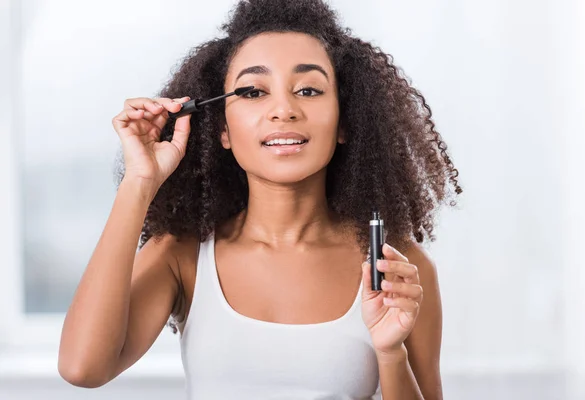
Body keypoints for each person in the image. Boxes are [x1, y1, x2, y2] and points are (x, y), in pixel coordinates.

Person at [58, 0, 462, 398]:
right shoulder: (181, 255)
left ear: (344, 121)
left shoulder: (397, 269)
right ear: (223, 130)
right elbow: (83, 368)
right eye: (253, 92)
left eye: (308, 89)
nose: (283, 109)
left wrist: (391, 354)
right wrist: (139, 182)